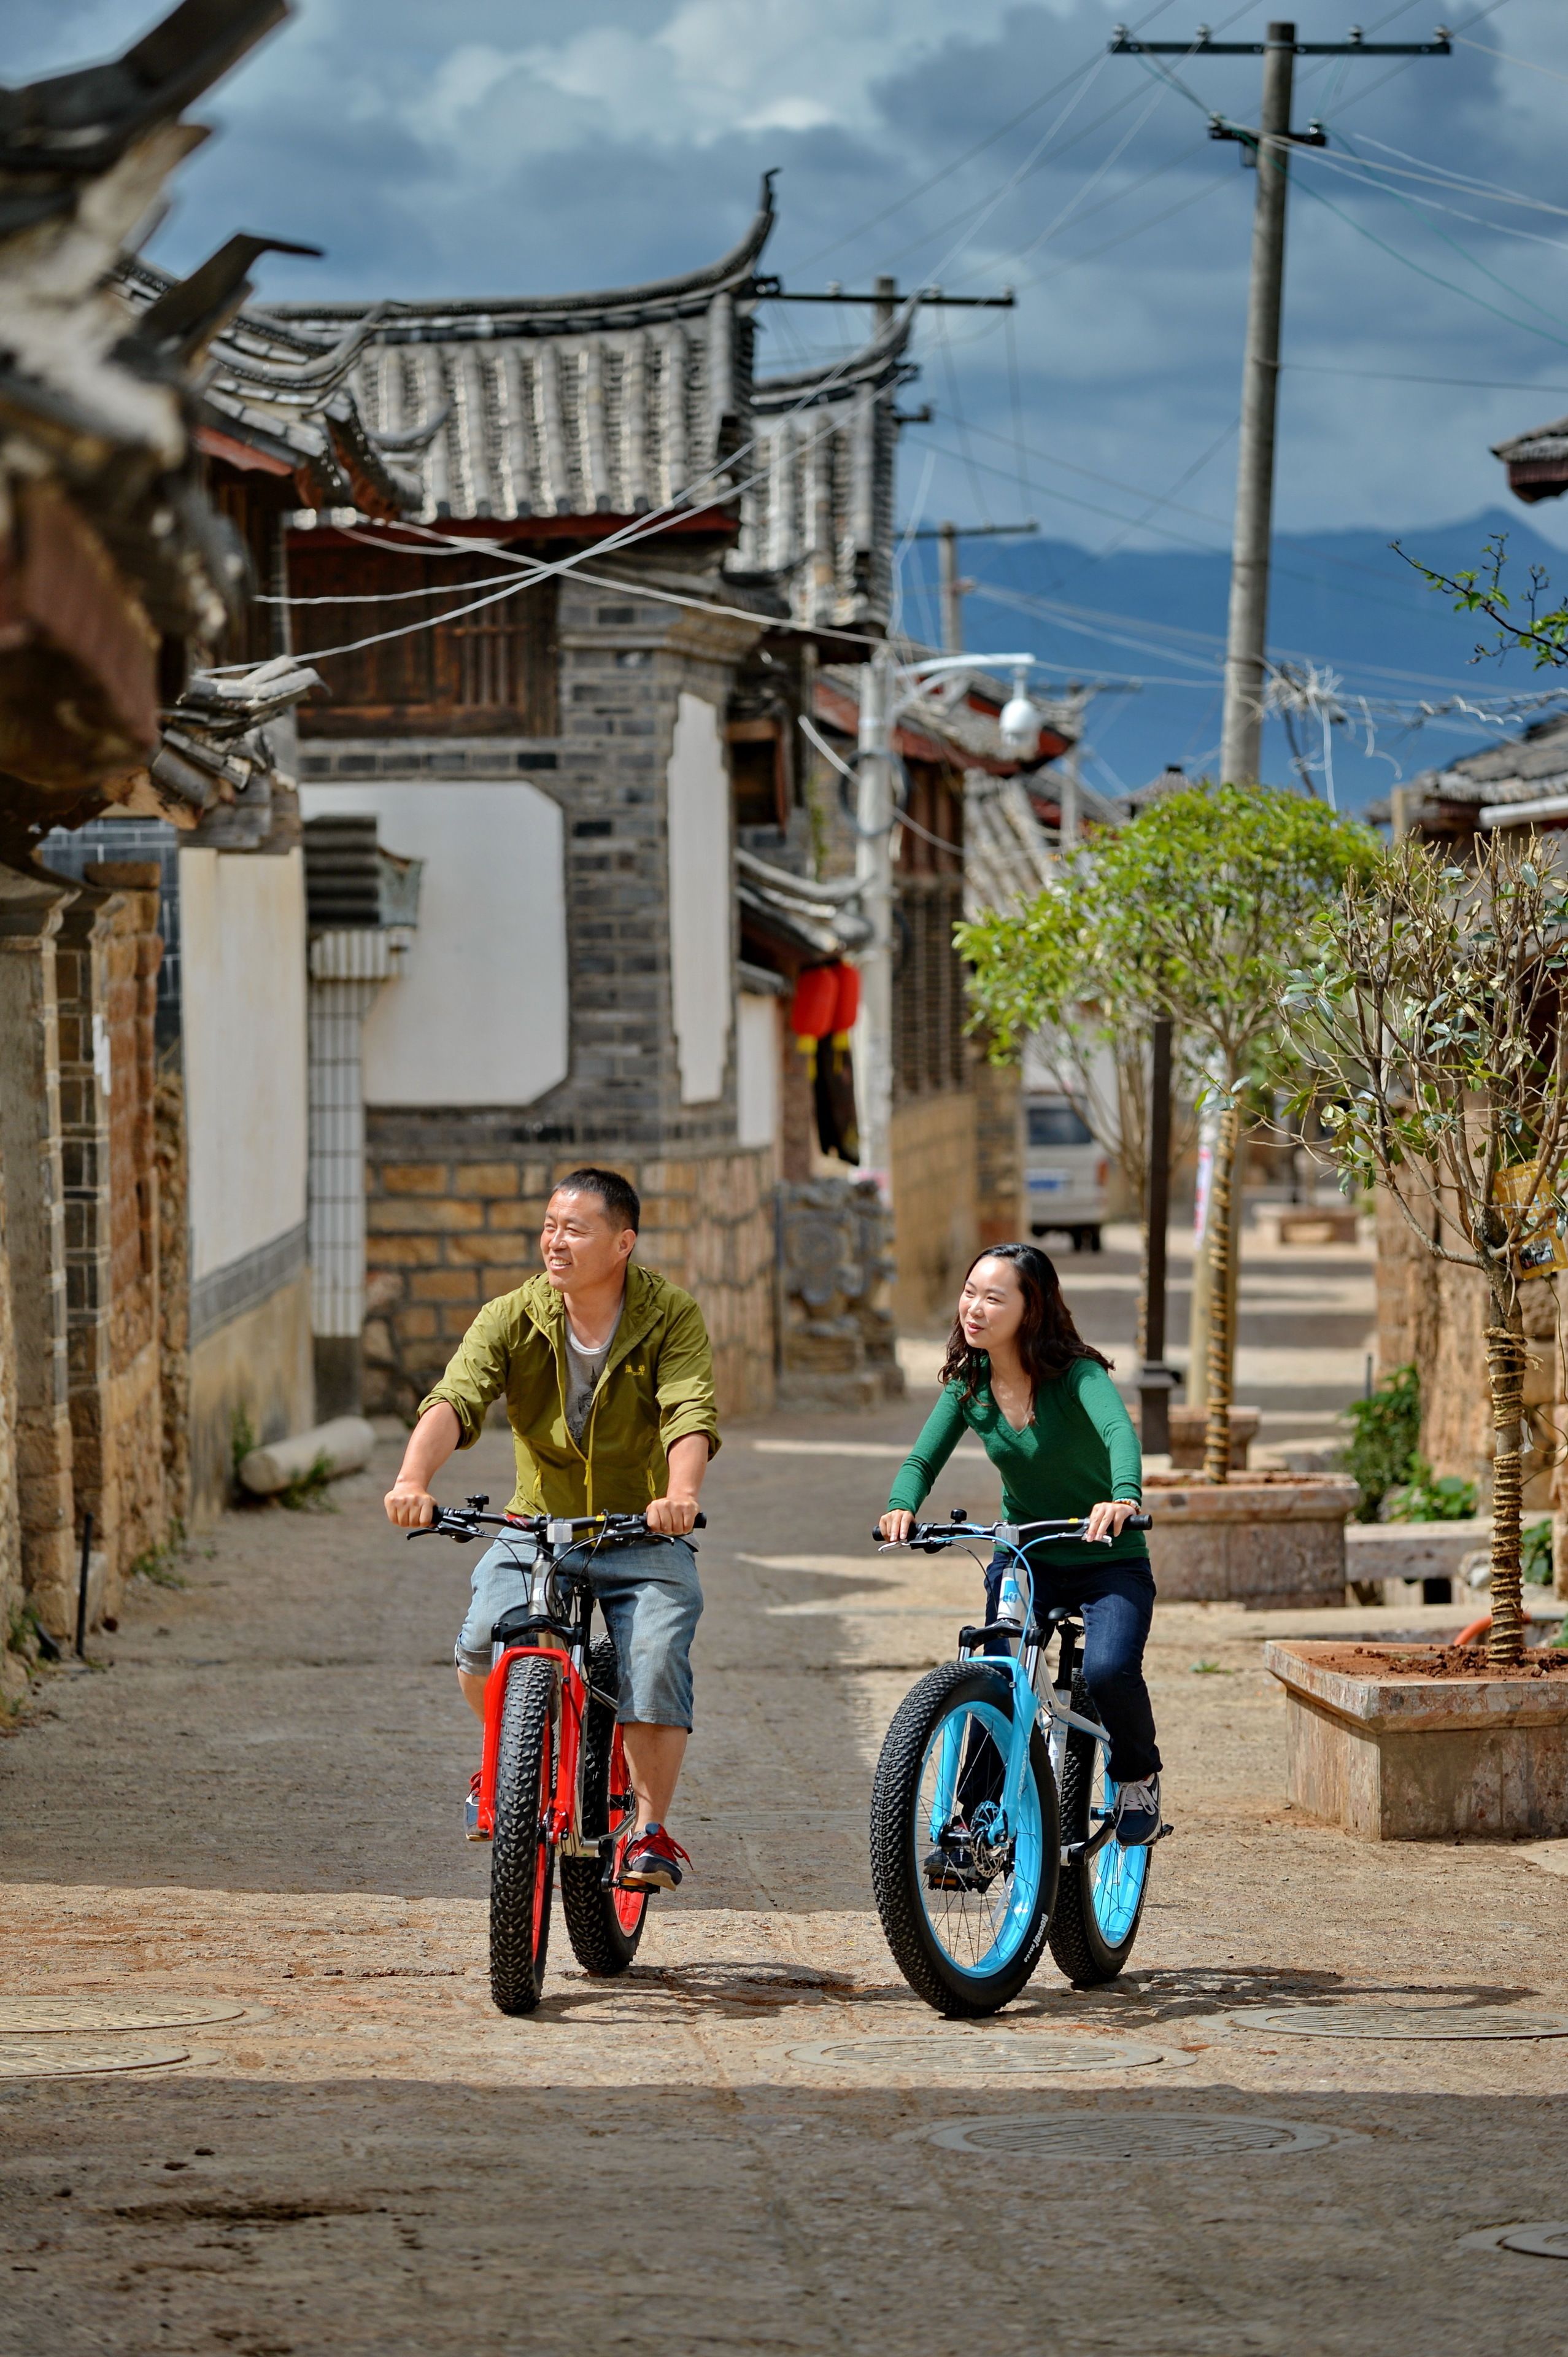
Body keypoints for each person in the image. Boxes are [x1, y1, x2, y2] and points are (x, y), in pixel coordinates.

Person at [384, 1167, 718, 1890]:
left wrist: (680, 1495)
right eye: (548, 1227)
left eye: (574, 1229)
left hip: (639, 1530)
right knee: (483, 1639)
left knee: (655, 1653)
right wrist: (413, 1479)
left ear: (622, 1243)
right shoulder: (513, 1315)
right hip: (537, 1526)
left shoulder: (670, 1315)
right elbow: (456, 1398)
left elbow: (688, 1410)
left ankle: (649, 1828)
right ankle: (507, 1757)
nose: (554, 1242)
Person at [878, 1241, 1163, 1847]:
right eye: (968, 1293)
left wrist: (1122, 1497)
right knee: (997, 1674)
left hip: (1107, 1559)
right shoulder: (969, 1384)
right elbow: (922, 1460)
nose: (973, 1309)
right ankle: (977, 1816)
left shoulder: (1077, 1375)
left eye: (992, 1298)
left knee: (1109, 1672)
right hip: (1025, 1554)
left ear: (1030, 1310)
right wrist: (902, 1505)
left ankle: (1136, 1776)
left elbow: (1118, 1431)